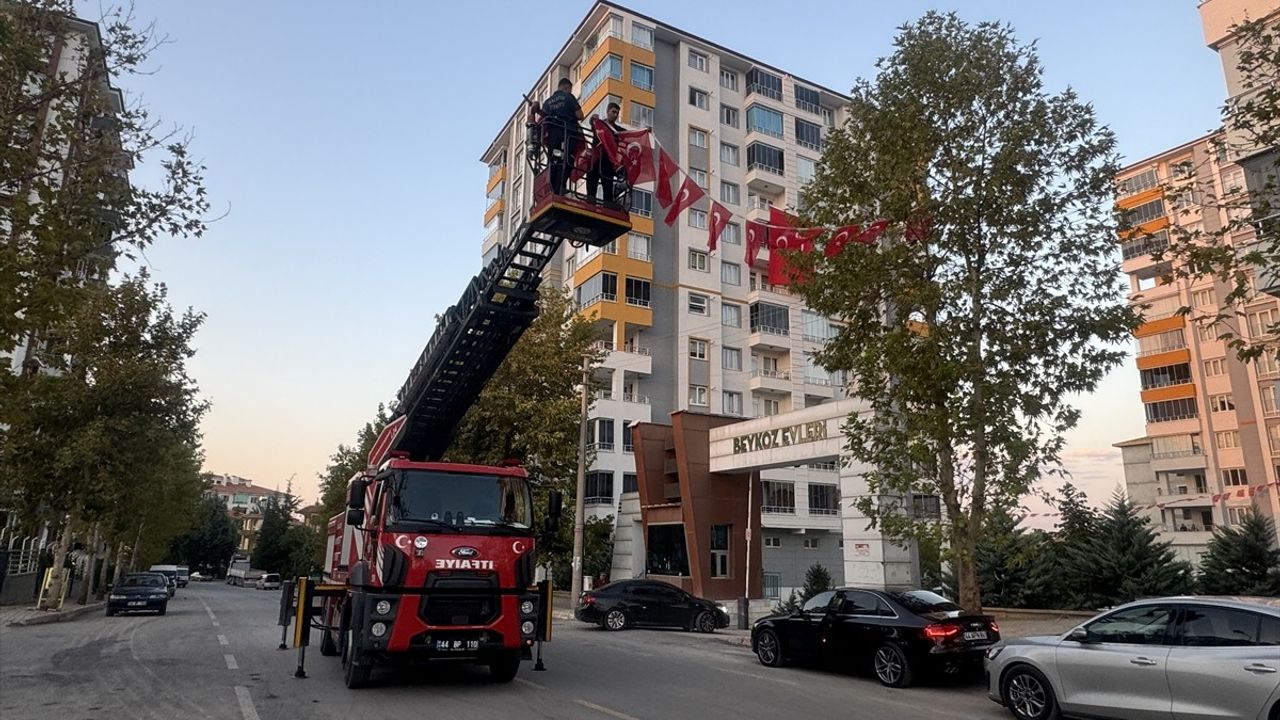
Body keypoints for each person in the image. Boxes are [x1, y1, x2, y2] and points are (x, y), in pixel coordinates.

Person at [540, 78, 583, 195]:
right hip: (568, 133)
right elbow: (580, 115)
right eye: (570, 89)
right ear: (567, 87)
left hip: (553, 136)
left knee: (554, 161)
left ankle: (553, 188)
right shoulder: (569, 97)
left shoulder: (547, 102)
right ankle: (561, 186)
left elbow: (542, 118)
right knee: (568, 160)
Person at [587, 101, 625, 205]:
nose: (615, 115)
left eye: (617, 113)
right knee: (591, 183)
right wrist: (592, 120)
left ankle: (608, 206)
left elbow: (627, 134)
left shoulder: (617, 130)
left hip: (607, 162)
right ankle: (590, 204)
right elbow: (592, 124)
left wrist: (644, 130)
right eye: (613, 112)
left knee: (607, 186)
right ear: (607, 111)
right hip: (596, 159)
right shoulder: (599, 124)